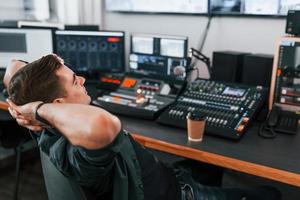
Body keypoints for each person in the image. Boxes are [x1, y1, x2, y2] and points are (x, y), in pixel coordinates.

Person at [6, 54, 281, 200]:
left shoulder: (40, 125)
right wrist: (38, 109)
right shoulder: (78, 151)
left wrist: (30, 107)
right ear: (57, 103)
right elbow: (105, 125)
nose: (81, 78)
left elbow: (12, 67)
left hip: (165, 177)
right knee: (271, 193)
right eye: (73, 80)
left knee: (211, 165)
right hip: (177, 195)